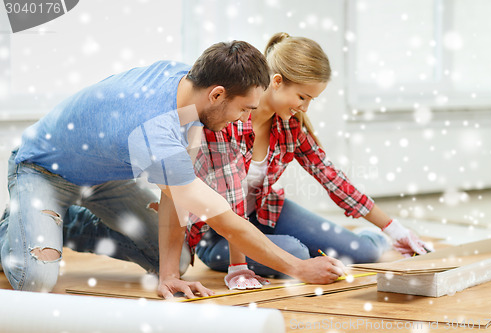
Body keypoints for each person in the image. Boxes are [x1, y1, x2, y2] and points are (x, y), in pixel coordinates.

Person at [0, 40, 347, 299]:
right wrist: (299, 268)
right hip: (42, 170)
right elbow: (223, 220)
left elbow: (175, 196)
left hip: (104, 177)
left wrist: (167, 276)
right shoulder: (155, 129)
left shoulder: (189, 85)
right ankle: (15, 227)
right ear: (217, 94)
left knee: (176, 261)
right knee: (36, 282)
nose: (245, 119)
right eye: (243, 109)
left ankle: (67, 222)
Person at [188, 33, 431, 290]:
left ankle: (365, 239)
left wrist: (395, 229)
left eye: (311, 100)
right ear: (277, 81)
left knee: (364, 252)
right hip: (217, 233)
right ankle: (284, 248)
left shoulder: (290, 127)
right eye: (302, 97)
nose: (305, 108)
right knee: (298, 254)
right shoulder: (230, 119)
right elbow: (233, 201)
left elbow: (331, 177)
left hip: (264, 211)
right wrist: (238, 268)